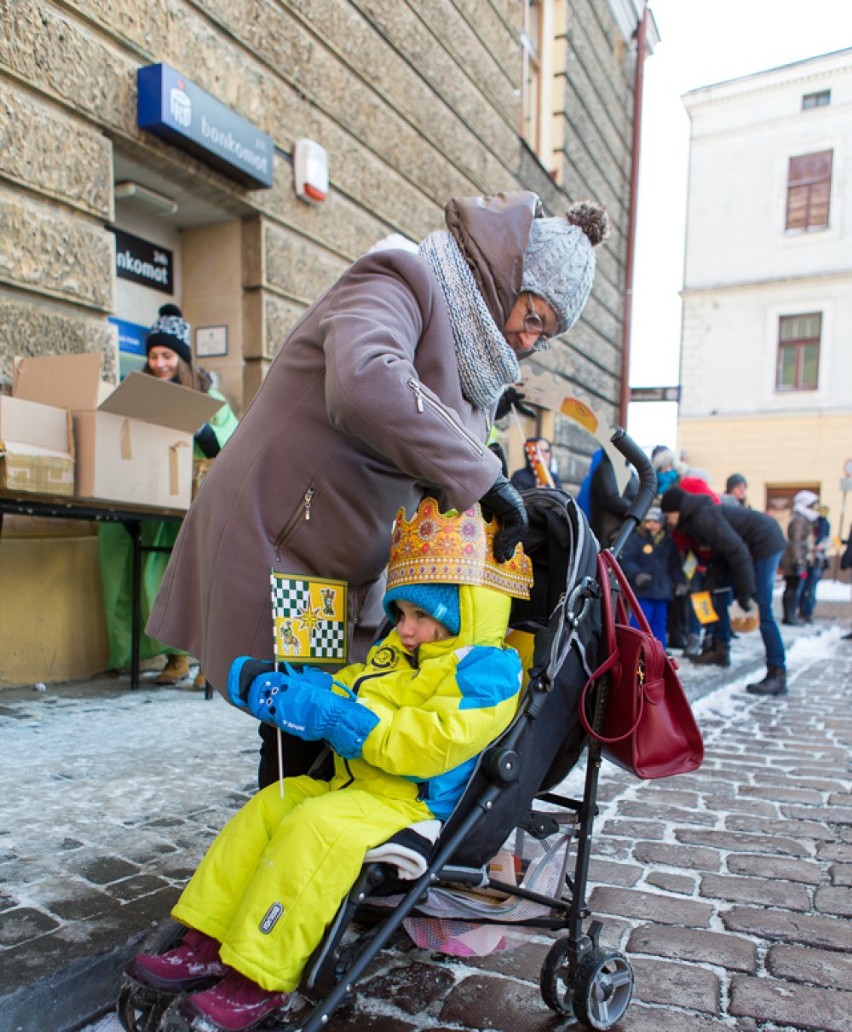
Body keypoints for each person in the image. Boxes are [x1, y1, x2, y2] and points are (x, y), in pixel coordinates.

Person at [146, 191, 609, 783]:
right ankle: (288, 847)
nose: (528, 341)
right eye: (535, 318)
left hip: (344, 566)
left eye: (544, 335)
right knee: (297, 718)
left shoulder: (479, 363)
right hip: (284, 538)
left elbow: (443, 451)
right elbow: (365, 381)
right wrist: (482, 473)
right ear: (509, 277)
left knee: (323, 717)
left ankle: (305, 839)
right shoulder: (402, 277)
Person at [124, 500, 531, 1032]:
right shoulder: (396, 655)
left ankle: (260, 975)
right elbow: (350, 685)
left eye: (422, 617)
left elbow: (430, 744)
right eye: (401, 614)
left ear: (464, 614)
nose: (405, 630)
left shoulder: (488, 674)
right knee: (270, 806)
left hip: (413, 805)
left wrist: (343, 721)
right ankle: (206, 939)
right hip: (356, 788)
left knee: (310, 831)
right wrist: (291, 685)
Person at [97, 305, 239, 689]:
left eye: (167, 355)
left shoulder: (209, 397)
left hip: (198, 506)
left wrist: (204, 433)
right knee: (154, 583)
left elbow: (231, 447)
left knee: (198, 583)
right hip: (155, 505)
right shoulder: (139, 392)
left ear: (181, 358)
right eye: (154, 355)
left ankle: (210, 660)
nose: (159, 363)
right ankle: (176, 658)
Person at [659, 485, 755, 669]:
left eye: (669, 515)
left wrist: (745, 592)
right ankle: (706, 640)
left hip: (710, 564)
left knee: (713, 601)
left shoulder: (701, 515)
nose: (667, 520)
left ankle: (711, 641)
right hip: (700, 563)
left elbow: (732, 548)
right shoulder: (688, 517)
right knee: (702, 601)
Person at [718, 499, 788, 696]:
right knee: (761, 607)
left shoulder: (710, 515)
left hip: (766, 546)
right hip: (763, 545)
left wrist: (745, 593)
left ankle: (777, 674)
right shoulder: (717, 513)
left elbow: (739, 555)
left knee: (762, 608)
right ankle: (776, 671)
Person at [620, 507, 683, 647]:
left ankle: (659, 652)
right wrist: (637, 574)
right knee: (639, 623)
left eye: (655, 521)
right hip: (643, 590)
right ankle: (635, 649)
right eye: (648, 521)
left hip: (662, 591)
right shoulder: (636, 539)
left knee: (660, 624)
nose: (652, 525)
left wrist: (679, 581)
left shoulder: (668, 542)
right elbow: (627, 560)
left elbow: (675, 565)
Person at [781, 491, 820, 627]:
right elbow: (795, 542)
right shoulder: (798, 519)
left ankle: (791, 615)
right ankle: (789, 616)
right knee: (793, 587)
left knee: (795, 587)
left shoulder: (804, 518)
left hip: (799, 557)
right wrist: (797, 560)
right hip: (794, 558)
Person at [799, 504, 831, 623]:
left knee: (810, 588)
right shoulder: (809, 523)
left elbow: (825, 541)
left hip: (815, 561)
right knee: (804, 587)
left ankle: (806, 612)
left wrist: (820, 547)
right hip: (807, 561)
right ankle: (803, 611)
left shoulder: (824, 524)